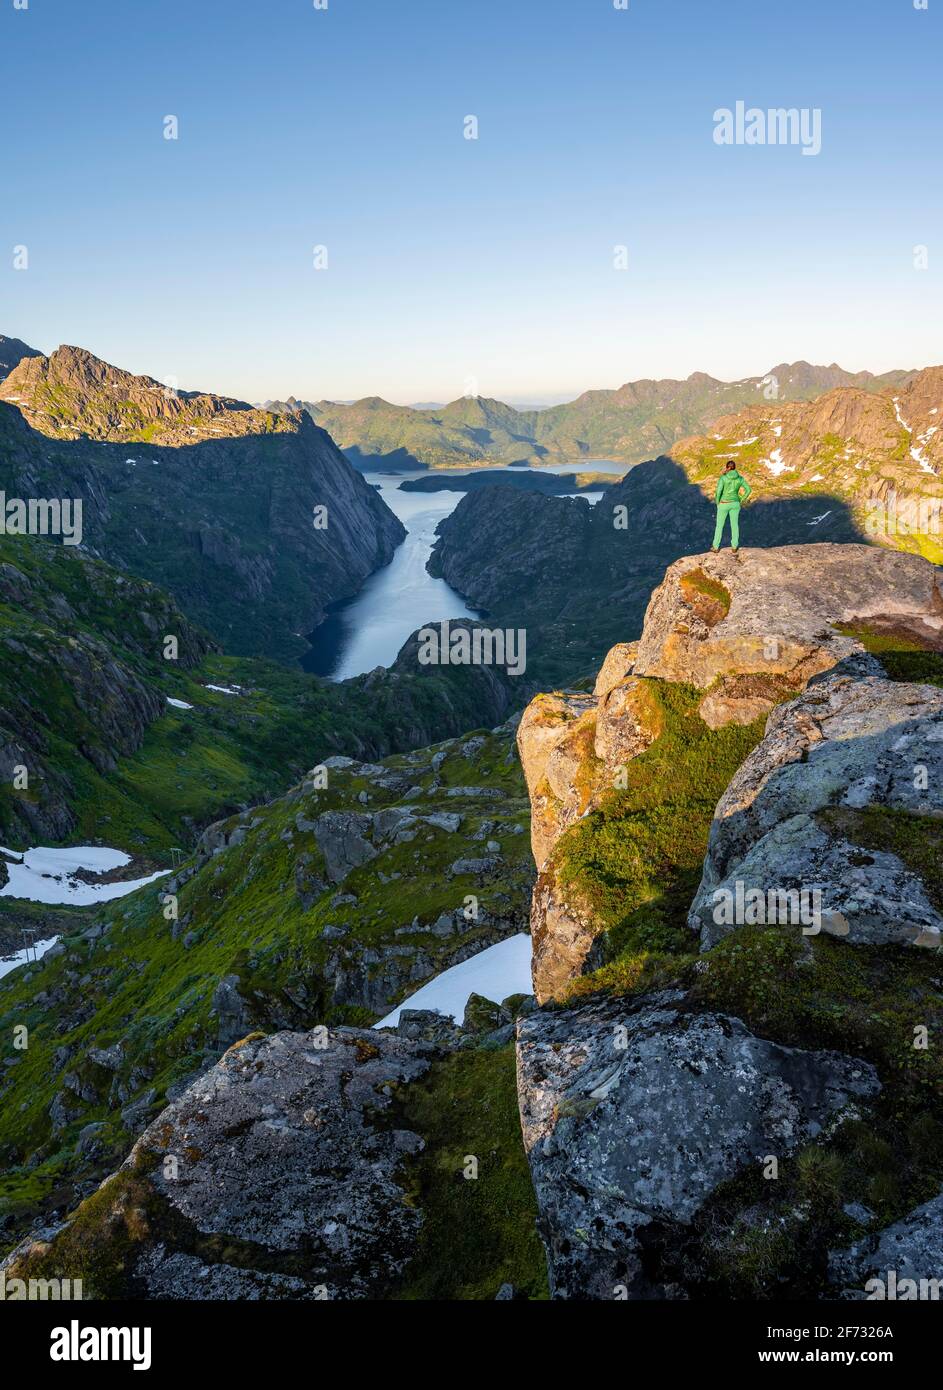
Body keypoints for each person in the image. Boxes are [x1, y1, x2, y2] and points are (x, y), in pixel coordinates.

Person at [712, 459, 752, 553]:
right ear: (735, 468)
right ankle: (734, 547)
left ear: (727, 467)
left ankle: (716, 547)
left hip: (724, 503)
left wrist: (717, 502)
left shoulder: (723, 478)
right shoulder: (740, 478)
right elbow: (748, 490)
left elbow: (718, 491)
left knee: (719, 526)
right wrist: (741, 499)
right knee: (734, 525)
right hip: (735, 504)